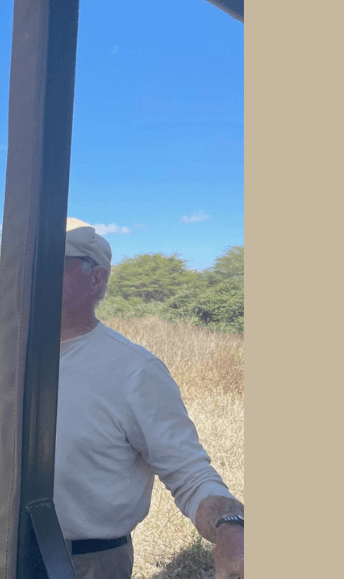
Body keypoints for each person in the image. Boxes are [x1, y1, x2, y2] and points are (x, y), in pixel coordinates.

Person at [54, 218, 245, 579]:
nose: (34, 273)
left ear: (97, 279)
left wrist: (231, 527)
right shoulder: (0, 349)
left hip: (86, 564)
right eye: (31, 261)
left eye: (54, 263)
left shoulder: (135, 371)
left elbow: (189, 473)